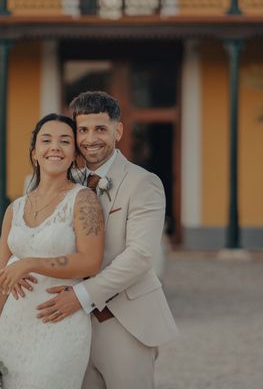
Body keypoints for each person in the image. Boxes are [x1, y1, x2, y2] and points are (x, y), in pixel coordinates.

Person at [35, 91, 179, 389]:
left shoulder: (144, 183)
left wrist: (81, 295)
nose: (90, 139)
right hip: (72, 326)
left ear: (118, 130)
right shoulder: (66, 181)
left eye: (100, 129)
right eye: (83, 130)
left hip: (125, 321)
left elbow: (139, 256)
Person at [0, 113, 105, 389]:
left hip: (60, 323)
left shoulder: (84, 200)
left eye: (64, 141)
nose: (55, 146)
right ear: (34, 154)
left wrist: (29, 263)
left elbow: (91, 261)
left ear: (75, 156)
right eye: (46, 140)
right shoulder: (14, 209)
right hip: (14, 327)